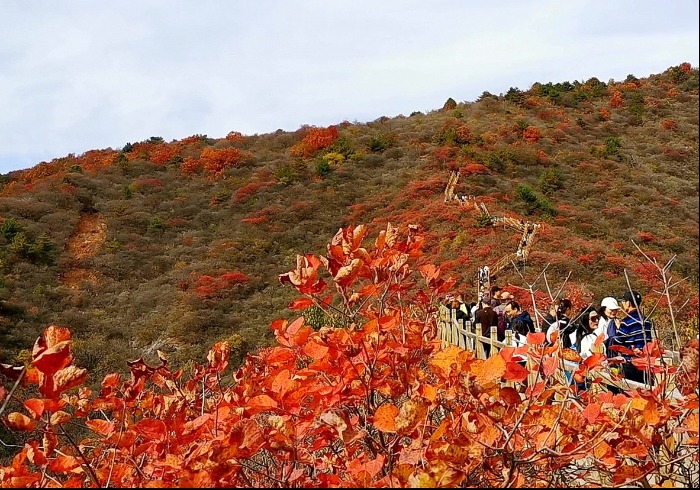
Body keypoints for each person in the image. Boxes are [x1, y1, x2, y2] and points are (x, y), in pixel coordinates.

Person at [610, 290, 654, 384]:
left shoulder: (627, 322)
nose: (622, 304)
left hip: (631, 363)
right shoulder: (647, 320)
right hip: (646, 362)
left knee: (631, 393)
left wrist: (618, 330)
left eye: (623, 302)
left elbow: (617, 342)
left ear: (628, 303)